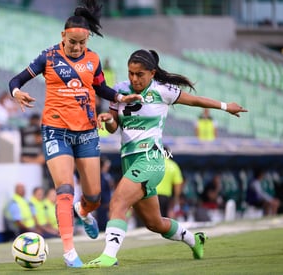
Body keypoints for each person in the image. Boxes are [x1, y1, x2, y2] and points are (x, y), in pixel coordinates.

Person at [8, 0, 142, 267]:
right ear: (63, 36)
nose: (77, 47)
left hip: (87, 134)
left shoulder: (93, 59)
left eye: (82, 43)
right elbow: (17, 80)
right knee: (65, 189)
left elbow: (101, 89)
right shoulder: (48, 57)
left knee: (94, 197)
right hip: (56, 131)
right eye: (73, 42)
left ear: (87, 39)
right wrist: (16, 93)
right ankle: (69, 251)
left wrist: (120, 97)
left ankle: (83, 212)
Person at [85, 49, 247, 268]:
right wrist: (107, 119)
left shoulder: (163, 90)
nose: (134, 78)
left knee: (117, 202)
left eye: (140, 74)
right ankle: (194, 240)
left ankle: (109, 256)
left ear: (152, 73)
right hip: (129, 161)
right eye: (131, 73)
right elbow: (114, 126)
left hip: (150, 158)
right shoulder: (120, 89)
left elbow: (196, 101)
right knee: (155, 224)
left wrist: (226, 106)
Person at [156, 145, 184, 218]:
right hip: (165, 197)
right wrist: (176, 199)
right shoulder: (173, 166)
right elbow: (178, 184)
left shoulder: (152, 164)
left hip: (152, 195)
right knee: (163, 219)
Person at [96, 156, 114, 231]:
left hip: (107, 203)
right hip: (103, 205)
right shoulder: (100, 176)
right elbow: (101, 190)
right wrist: (106, 202)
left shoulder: (107, 175)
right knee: (103, 223)